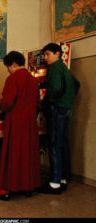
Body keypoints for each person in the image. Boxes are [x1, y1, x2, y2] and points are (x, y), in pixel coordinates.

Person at [0, 51, 41, 201]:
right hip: (30, 122)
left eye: (8, 67)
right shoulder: (32, 79)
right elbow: (37, 102)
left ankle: (6, 190)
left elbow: (7, 102)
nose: (8, 70)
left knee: (12, 154)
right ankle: (28, 187)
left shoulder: (13, 78)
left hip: (16, 121)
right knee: (27, 155)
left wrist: (2, 106)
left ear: (14, 64)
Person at [40, 43, 80, 194]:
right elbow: (77, 84)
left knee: (55, 144)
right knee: (62, 143)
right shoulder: (64, 68)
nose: (45, 58)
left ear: (58, 54)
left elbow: (55, 89)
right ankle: (63, 178)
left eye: (48, 54)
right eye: (44, 55)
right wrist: (67, 99)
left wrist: (47, 101)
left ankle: (54, 183)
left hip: (56, 109)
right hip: (66, 108)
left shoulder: (55, 67)